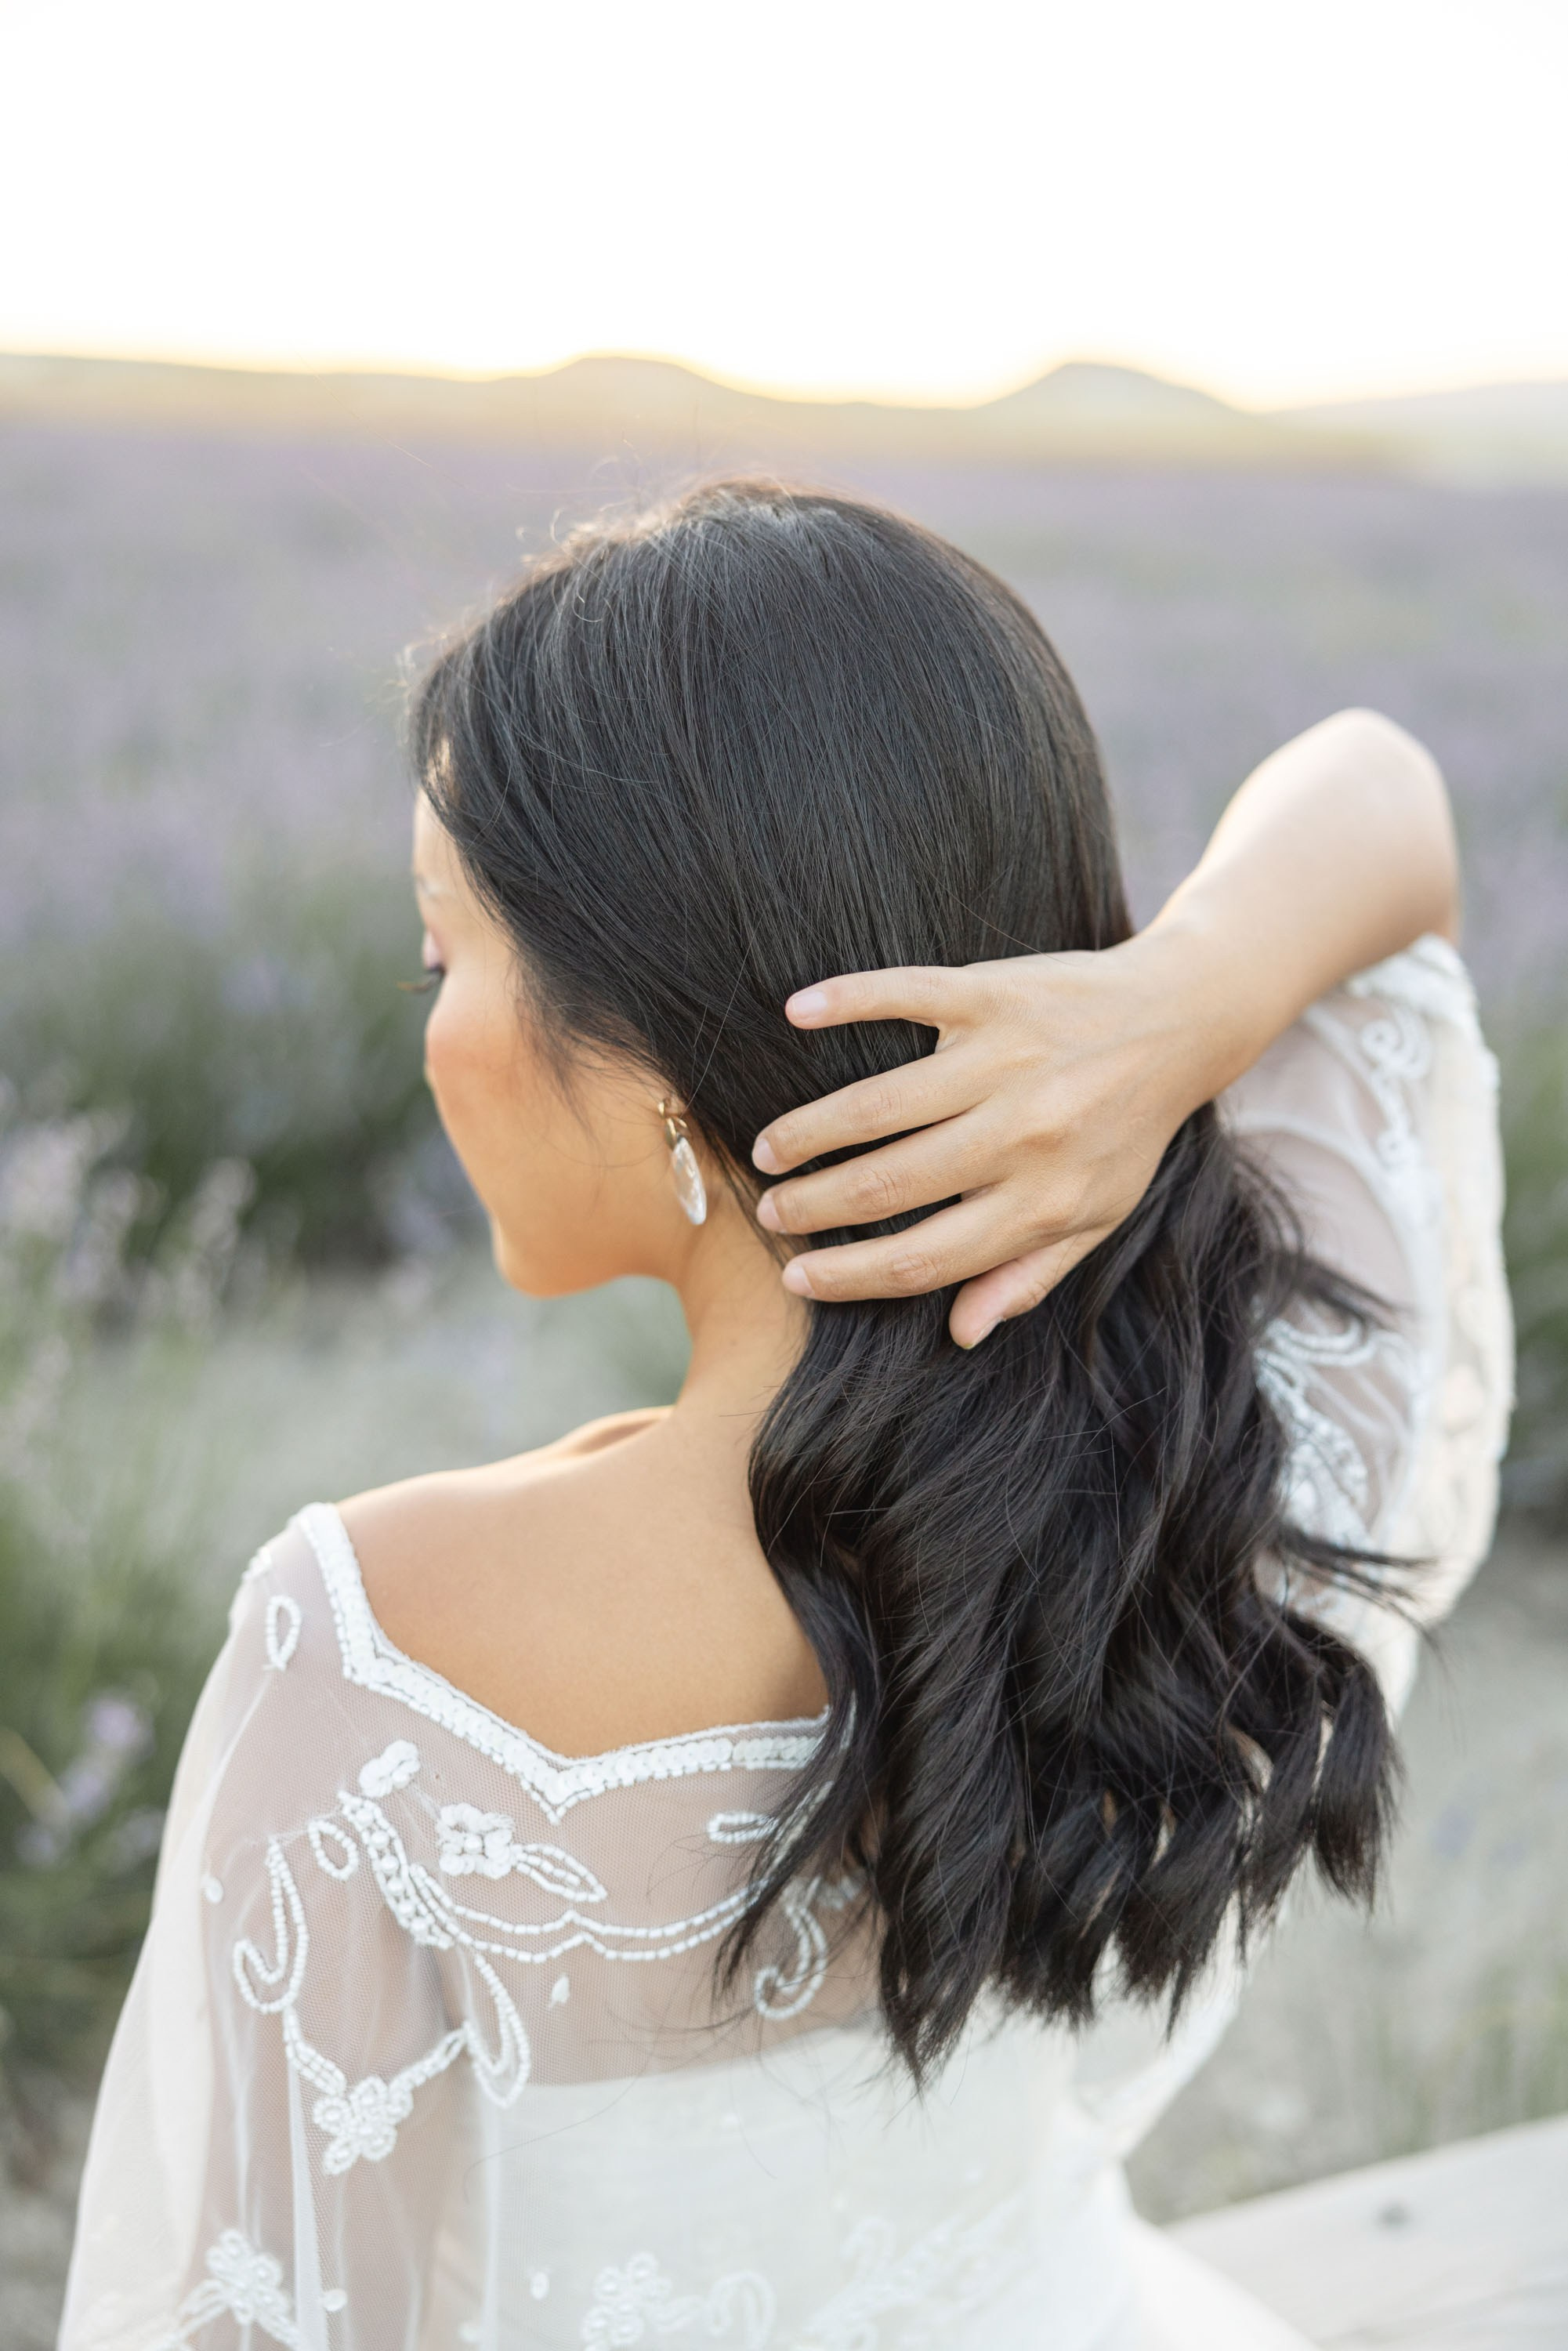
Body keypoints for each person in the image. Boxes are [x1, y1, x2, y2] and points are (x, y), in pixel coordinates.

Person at [61, 482, 1511, 2351]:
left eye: (448, 956)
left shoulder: (374, 1647)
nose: (426, 1027)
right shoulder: (1218, 1434)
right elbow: (1381, 801)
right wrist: (1174, 1007)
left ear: (660, 1059)